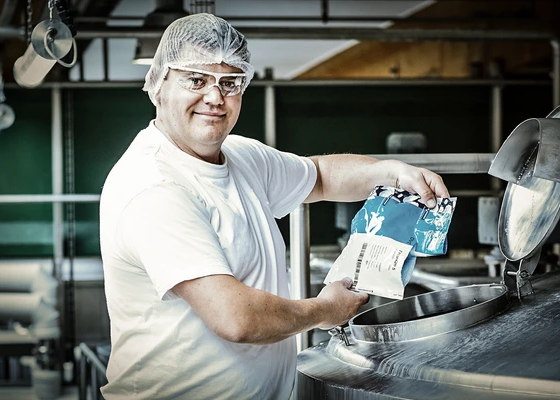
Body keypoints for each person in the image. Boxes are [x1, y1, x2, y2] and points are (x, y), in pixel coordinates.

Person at [99, 13, 450, 400]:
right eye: (196, 80)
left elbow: (319, 176)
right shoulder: (156, 186)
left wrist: (392, 172)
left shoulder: (241, 156)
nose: (215, 97)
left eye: (230, 82)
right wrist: (323, 309)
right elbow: (236, 317)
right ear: (159, 85)